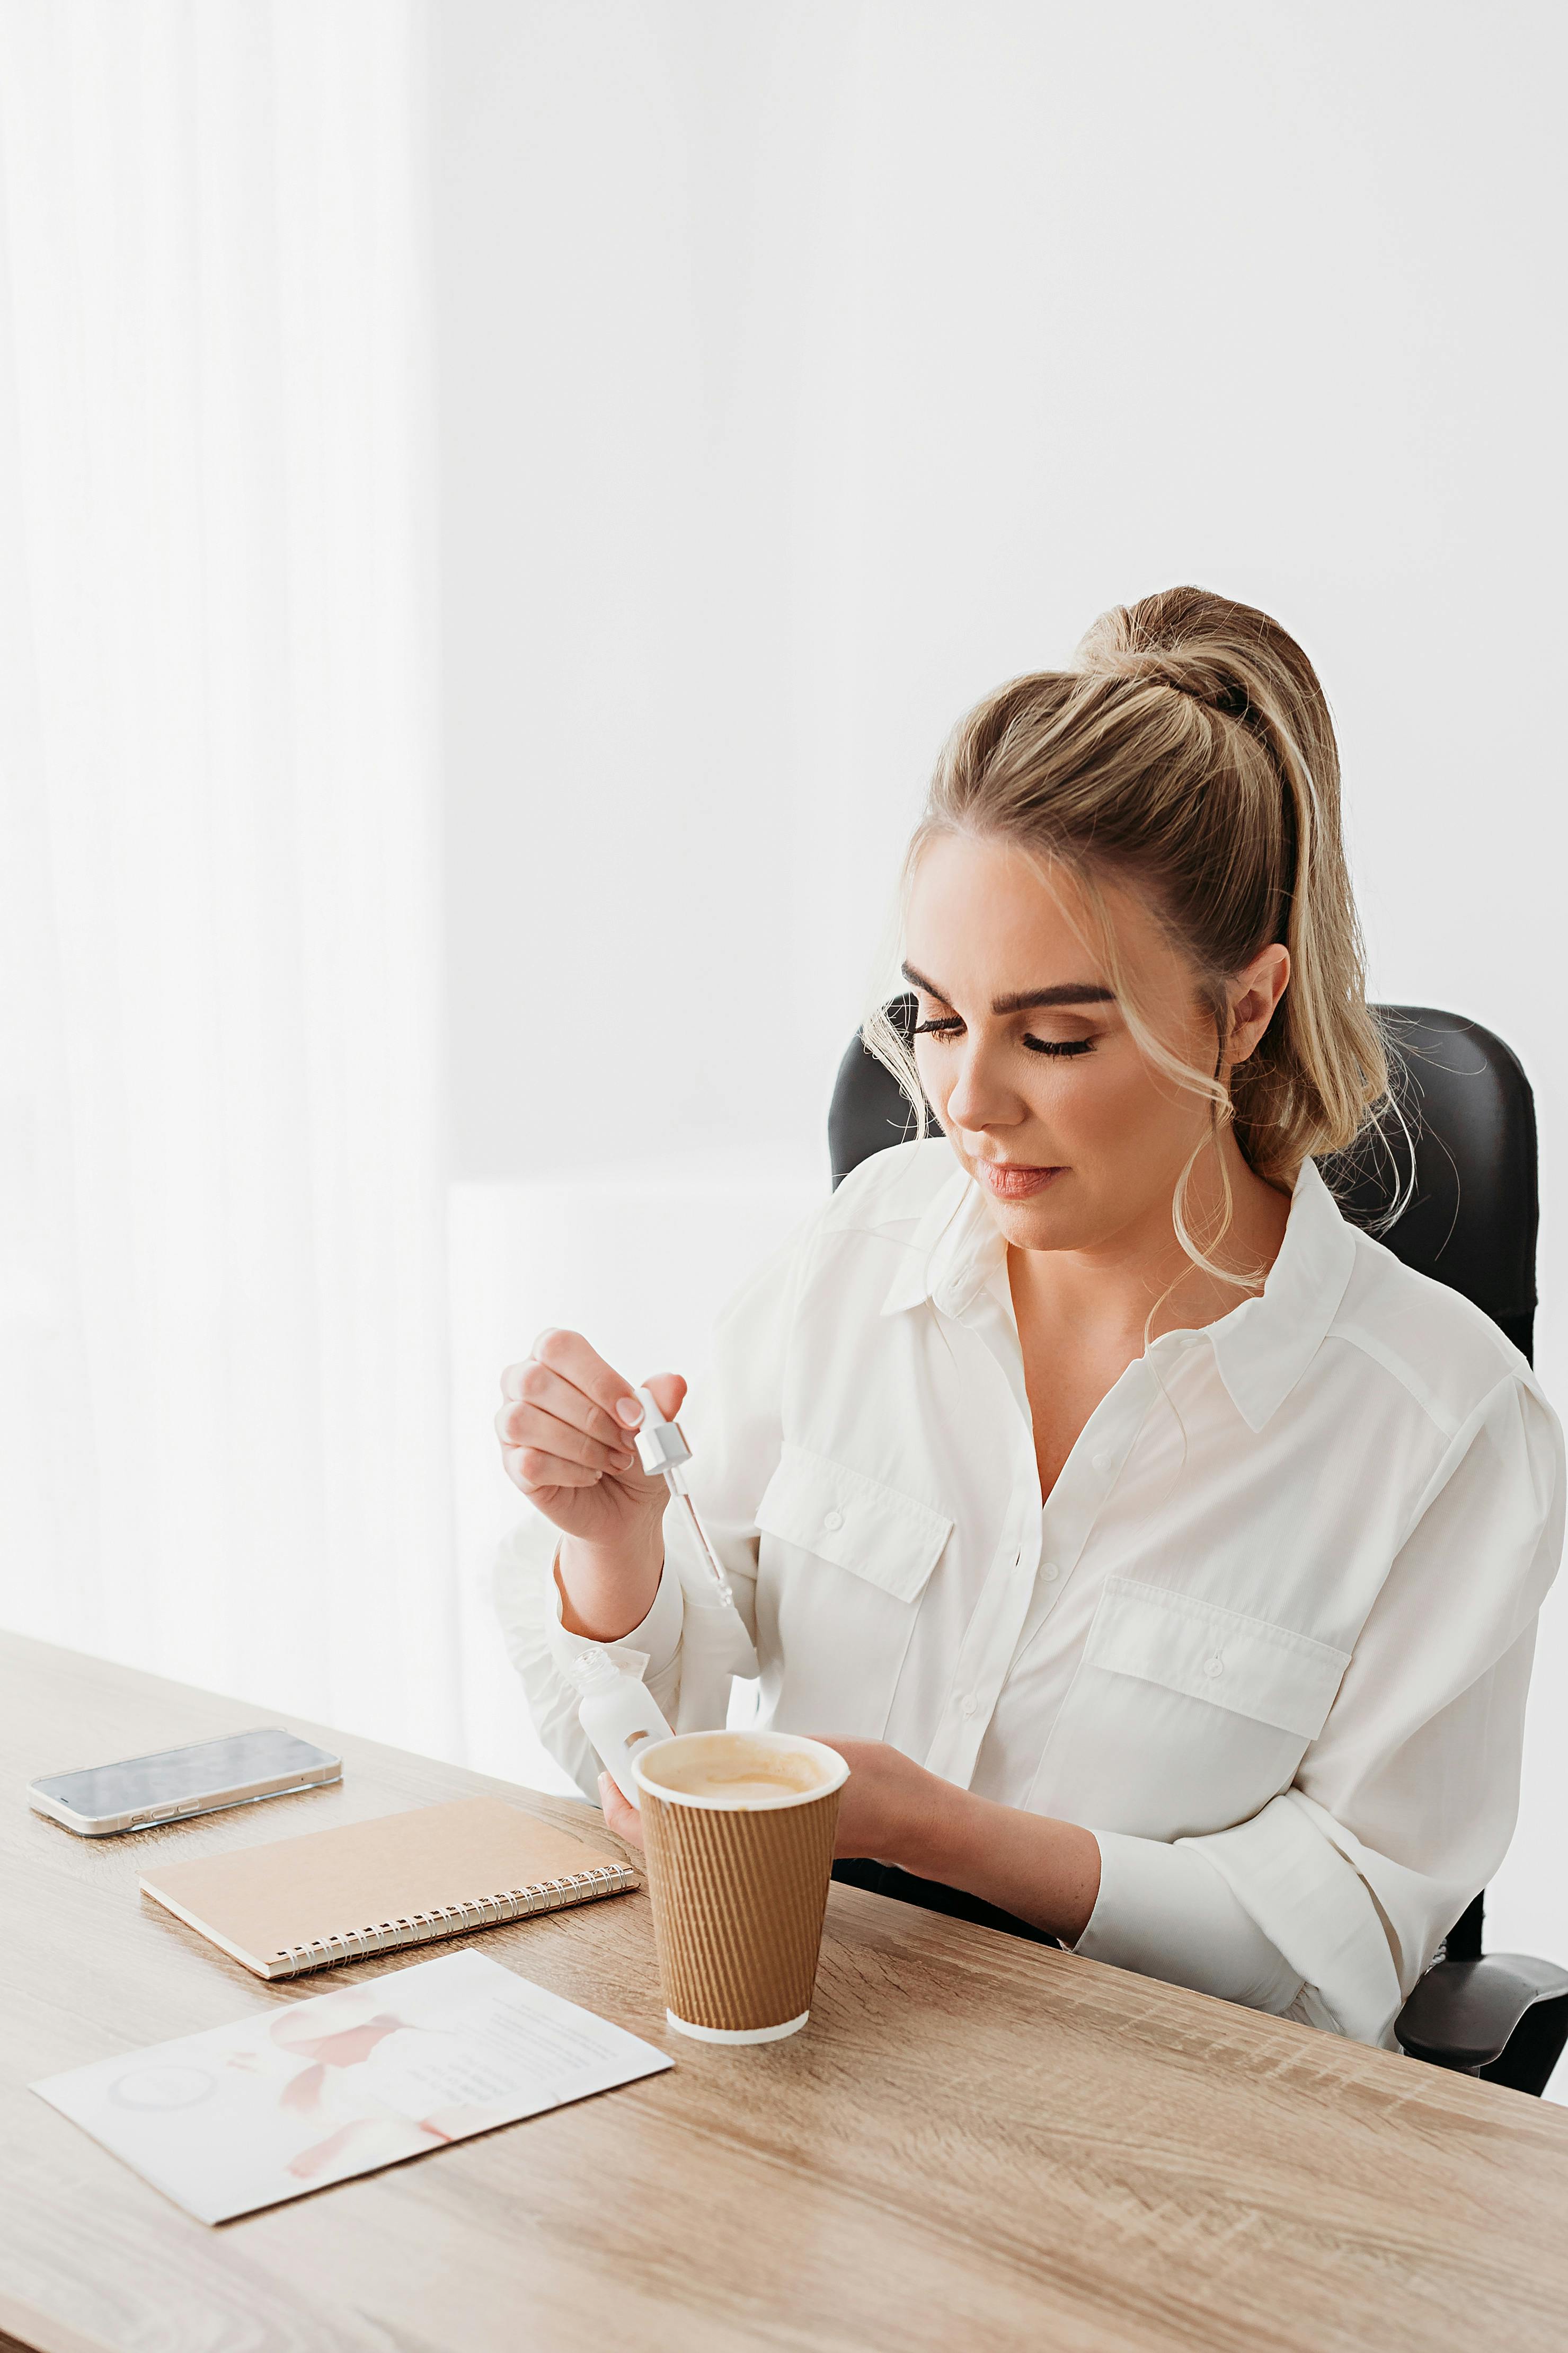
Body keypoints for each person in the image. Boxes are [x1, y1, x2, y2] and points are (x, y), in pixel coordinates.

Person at [493, 585, 1563, 2048]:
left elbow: (1349, 1950)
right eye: (937, 1019)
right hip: (816, 2050)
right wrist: (614, 1545)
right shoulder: (866, 1249)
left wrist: (944, 1833)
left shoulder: (1446, 1428)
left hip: (1167, 2124)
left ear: (1247, 1009)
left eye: (1055, 1036)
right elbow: (640, 1739)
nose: (967, 1103)